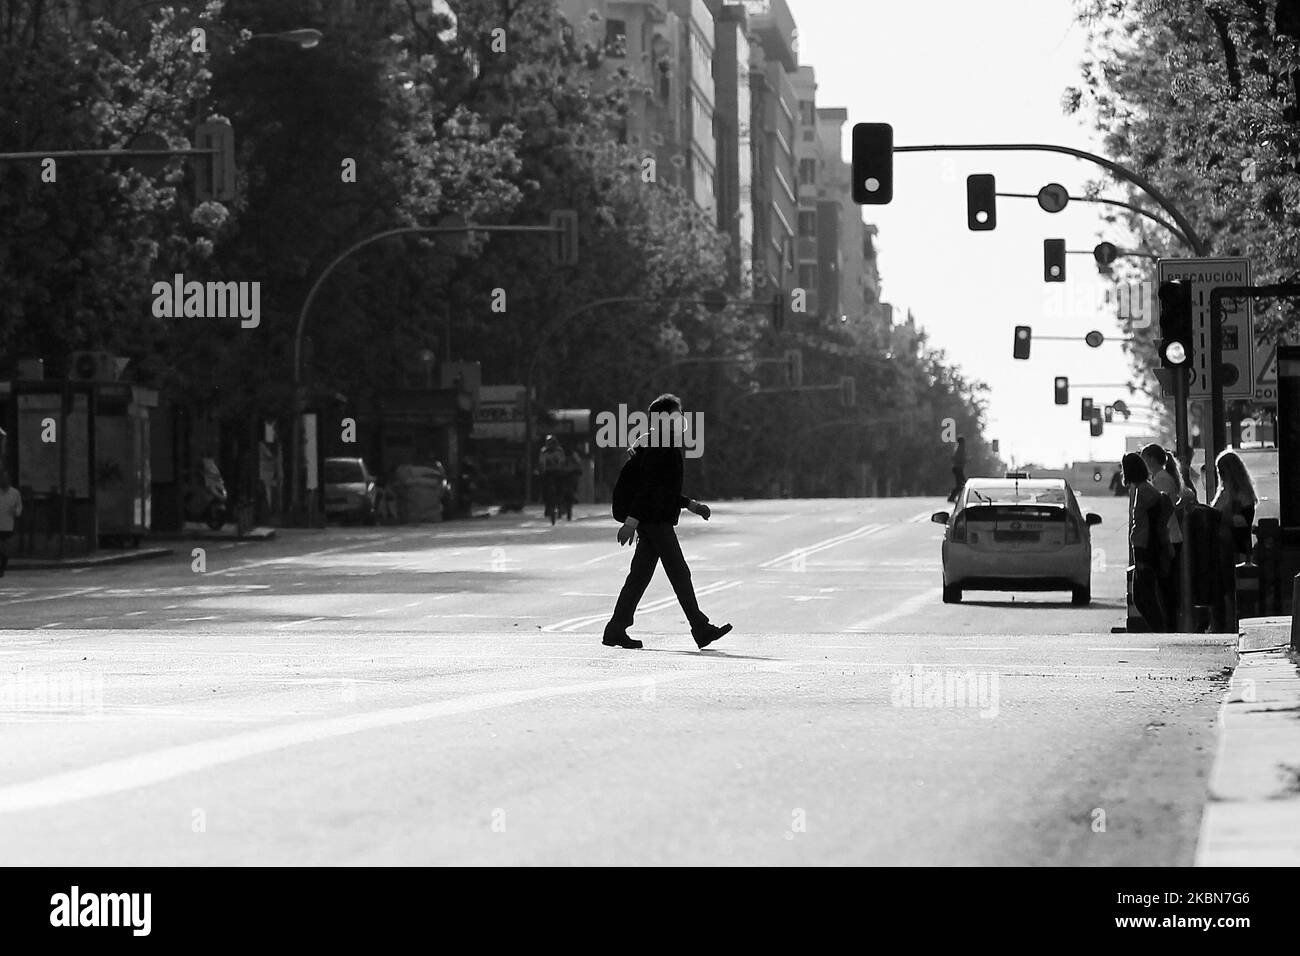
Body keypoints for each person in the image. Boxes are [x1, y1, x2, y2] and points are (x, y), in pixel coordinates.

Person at [603, 393, 732, 651]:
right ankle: (700, 628)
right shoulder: (660, 446)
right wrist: (631, 521)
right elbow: (648, 488)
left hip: (653, 519)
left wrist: (691, 505)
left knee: (639, 576)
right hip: (654, 521)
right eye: (677, 414)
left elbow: (664, 490)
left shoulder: (661, 443)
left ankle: (616, 628)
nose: (682, 418)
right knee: (679, 573)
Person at [1123, 452, 1169, 632]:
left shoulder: (1144, 491)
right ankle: (1158, 628)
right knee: (1142, 596)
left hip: (1145, 547)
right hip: (1142, 546)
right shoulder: (1143, 489)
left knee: (1144, 596)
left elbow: (1151, 520)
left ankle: (1159, 629)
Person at [1211, 449, 1258, 564]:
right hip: (1226, 548)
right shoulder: (1226, 493)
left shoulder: (1241, 496)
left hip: (1237, 551)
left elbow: (1241, 523)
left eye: (1221, 472)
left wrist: (1220, 517)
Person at [538, 435, 568, 521]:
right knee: (545, 489)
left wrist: (561, 468)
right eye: (549, 443)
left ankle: (561, 506)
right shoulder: (544, 451)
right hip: (547, 473)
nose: (551, 445)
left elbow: (562, 461)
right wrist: (541, 471)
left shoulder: (559, 451)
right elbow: (541, 462)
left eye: (552, 443)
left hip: (558, 472)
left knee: (561, 488)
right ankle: (547, 507)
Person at [0, 471, 21, 577]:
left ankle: (2, 568)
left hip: (7, 525)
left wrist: (15, 511)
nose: (4, 480)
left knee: (5, 548)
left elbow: (19, 508)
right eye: (3, 478)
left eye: (6, 478)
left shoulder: (15, 493)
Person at [947, 436, 967, 502]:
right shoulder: (960, 448)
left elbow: (954, 458)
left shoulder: (959, 448)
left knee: (961, 484)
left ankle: (953, 497)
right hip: (958, 468)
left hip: (958, 468)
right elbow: (955, 458)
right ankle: (952, 497)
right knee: (962, 484)